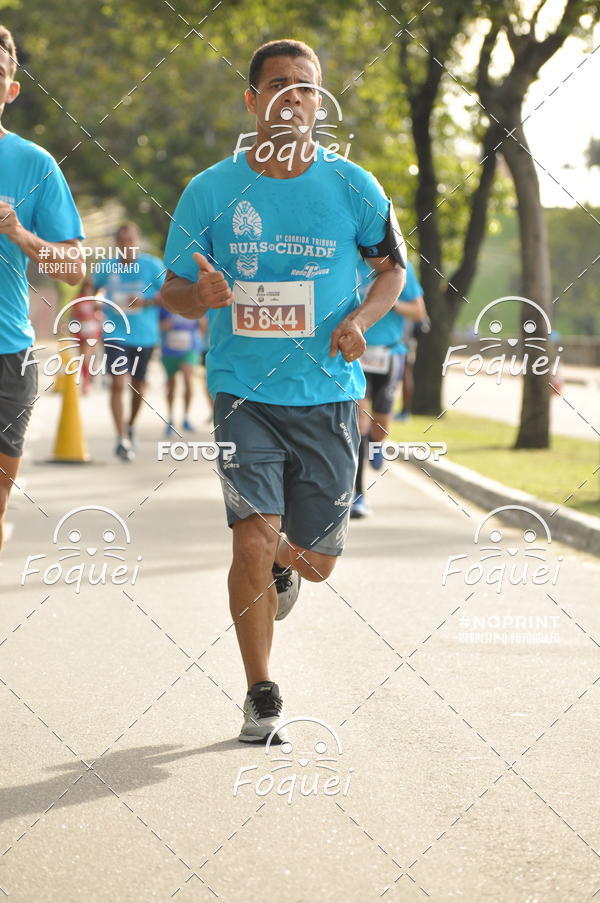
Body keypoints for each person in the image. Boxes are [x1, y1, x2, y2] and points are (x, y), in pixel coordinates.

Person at [161, 39, 406, 743]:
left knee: (317, 563)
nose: (293, 98)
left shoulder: (355, 185)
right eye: (278, 86)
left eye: (306, 88)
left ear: (320, 102)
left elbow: (390, 269)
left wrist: (360, 319)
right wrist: (200, 295)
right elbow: (173, 291)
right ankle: (261, 693)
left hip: (328, 393)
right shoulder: (211, 190)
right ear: (252, 100)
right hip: (244, 391)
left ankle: (285, 569)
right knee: (249, 541)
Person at [0, 26, 84, 550]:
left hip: (7, 353)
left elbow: (73, 267)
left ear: (11, 90)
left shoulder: (34, 165)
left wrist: (18, 232)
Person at [351, 258, 425, 518]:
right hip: (356, 354)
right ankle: (358, 495)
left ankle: (376, 442)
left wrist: (391, 301)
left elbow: (419, 311)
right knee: (359, 422)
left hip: (389, 354)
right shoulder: (348, 263)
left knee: (379, 426)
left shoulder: (400, 268)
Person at [93, 222, 163, 461]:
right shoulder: (106, 266)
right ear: (116, 244)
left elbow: (171, 295)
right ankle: (121, 437)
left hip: (144, 334)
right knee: (117, 383)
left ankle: (130, 424)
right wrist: (96, 301)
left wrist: (146, 301)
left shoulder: (152, 265)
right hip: (115, 333)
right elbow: (92, 288)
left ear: (138, 241)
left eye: (131, 241)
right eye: (122, 241)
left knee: (138, 386)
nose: (127, 246)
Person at [159, 306, 202, 435]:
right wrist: (168, 324)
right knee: (171, 385)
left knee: (188, 381)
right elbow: (159, 325)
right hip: (169, 349)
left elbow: (203, 326)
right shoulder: (164, 305)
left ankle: (186, 417)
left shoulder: (195, 302)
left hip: (189, 348)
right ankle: (170, 418)